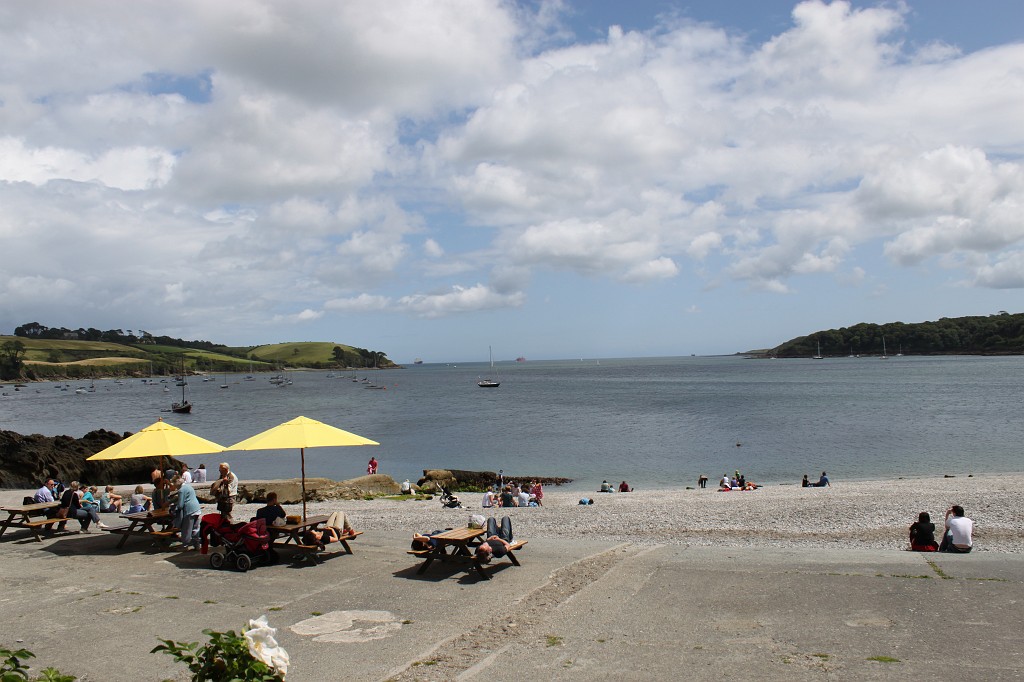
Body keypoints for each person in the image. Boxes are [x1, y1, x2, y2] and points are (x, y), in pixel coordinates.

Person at [172, 477, 202, 550]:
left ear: (177, 483)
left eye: (174, 483)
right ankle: (197, 545)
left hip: (189, 510)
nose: (173, 485)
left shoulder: (181, 490)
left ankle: (185, 545)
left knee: (186, 529)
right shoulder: (189, 486)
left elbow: (180, 505)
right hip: (196, 508)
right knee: (196, 528)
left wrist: (173, 508)